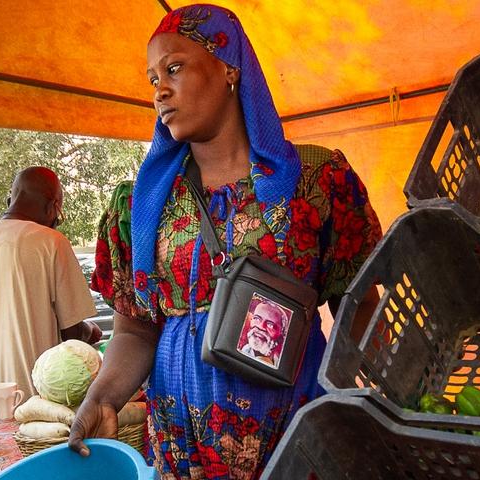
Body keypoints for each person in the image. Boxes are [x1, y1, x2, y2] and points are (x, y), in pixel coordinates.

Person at [68, 5, 383, 478]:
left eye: (174, 68)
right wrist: (101, 398)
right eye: (153, 78)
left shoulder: (315, 180)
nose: (159, 91)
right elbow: (135, 329)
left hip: (295, 431)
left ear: (229, 67)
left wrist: (353, 397)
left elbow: (357, 303)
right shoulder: (142, 203)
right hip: (182, 442)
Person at [0, 166, 101, 397]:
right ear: (54, 206)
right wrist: (91, 332)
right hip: (37, 400)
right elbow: (72, 333)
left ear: (10, 199)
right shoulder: (51, 243)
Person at [236, 297, 290, 368]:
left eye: (270, 324)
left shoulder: (281, 364)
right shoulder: (244, 348)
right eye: (257, 318)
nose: (261, 326)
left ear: (281, 334)